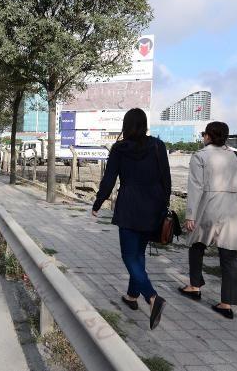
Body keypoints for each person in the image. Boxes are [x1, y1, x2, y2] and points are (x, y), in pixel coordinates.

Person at [92, 108, 169, 330]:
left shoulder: (119, 148)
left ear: (125, 125)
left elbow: (109, 180)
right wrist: (162, 206)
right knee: (138, 254)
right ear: (144, 124)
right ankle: (132, 296)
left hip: (128, 206)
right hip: (152, 207)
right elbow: (166, 178)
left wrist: (98, 204)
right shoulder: (157, 145)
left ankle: (152, 297)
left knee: (129, 256)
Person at [179, 122, 237, 319]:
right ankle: (226, 303)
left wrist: (190, 215)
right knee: (229, 257)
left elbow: (195, 187)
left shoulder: (200, 155)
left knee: (196, 244)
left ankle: (194, 286)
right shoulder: (236, 155)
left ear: (208, 136)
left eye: (204, 134)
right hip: (233, 207)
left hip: (209, 206)